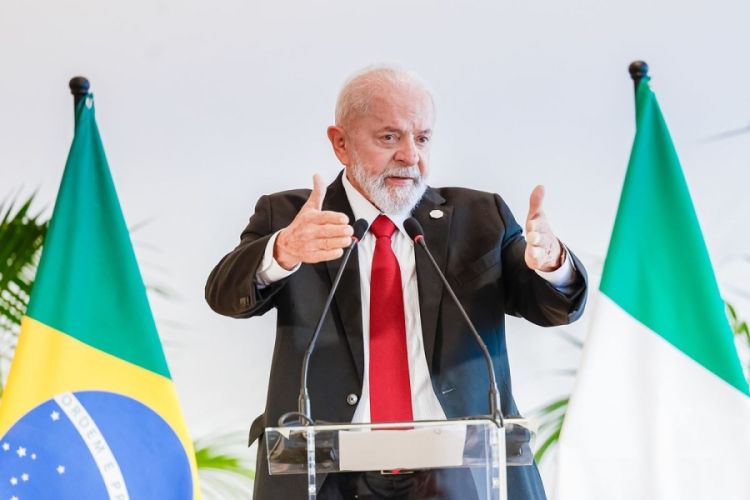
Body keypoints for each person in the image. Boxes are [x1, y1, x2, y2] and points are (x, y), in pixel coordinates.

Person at [205, 65, 587, 499]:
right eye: (389, 138)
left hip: (464, 473)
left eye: (422, 138)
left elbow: (551, 305)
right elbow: (224, 294)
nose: (410, 156)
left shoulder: (480, 218)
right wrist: (283, 250)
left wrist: (553, 263)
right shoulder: (296, 219)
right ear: (341, 143)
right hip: (326, 477)